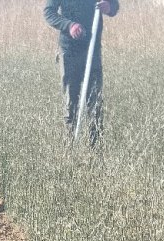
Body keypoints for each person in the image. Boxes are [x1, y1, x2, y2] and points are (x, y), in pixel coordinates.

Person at [44, 0, 119, 146]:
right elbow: (49, 13)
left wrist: (109, 7)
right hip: (69, 52)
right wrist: (69, 26)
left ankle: (96, 152)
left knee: (95, 105)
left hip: (93, 50)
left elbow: (114, 6)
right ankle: (69, 151)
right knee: (71, 105)